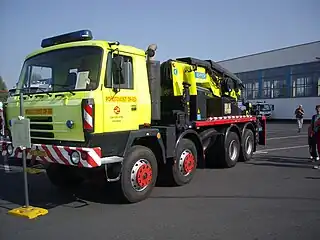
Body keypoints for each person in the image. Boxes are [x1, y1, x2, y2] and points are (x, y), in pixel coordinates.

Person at [311, 105, 320, 169]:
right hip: (315, 133)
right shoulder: (314, 117)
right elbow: (313, 125)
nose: (318, 110)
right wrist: (312, 131)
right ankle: (315, 156)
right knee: (314, 146)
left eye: (319, 109)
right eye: (317, 109)